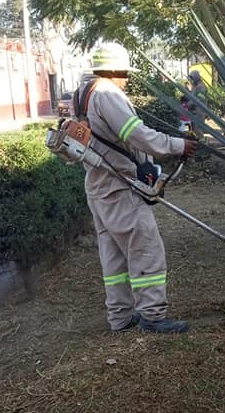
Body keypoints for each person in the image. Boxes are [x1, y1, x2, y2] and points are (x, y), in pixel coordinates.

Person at [75, 43, 198, 334]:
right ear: (116, 70)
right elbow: (136, 134)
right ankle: (153, 316)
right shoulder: (107, 93)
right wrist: (178, 145)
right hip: (119, 187)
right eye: (126, 74)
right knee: (146, 250)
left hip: (98, 187)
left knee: (114, 257)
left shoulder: (84, 93)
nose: (127, 80)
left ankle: (120, 318)